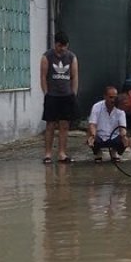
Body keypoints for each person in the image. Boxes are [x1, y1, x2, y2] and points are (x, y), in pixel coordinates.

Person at [40, 31, 79, 164]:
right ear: (55, 44)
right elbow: (43, 77)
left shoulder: (71, 57)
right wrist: (46, 93)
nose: (62, 49)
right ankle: (48, 154)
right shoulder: (47, 57)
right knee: (50, 125)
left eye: (64, 46)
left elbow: (74, 76)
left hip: (66, 96)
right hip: (52, 96)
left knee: (64, 125)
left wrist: (73, 93)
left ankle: (62, 153)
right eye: (59, 46)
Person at [87, 86, 128, 163]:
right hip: (99, 136)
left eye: (115, 98)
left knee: (125, 139)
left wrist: (124, 136)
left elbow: (122, 127)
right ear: (105, 97)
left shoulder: (120, 108)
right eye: (111, 97)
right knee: (91, 136)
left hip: (114, 137)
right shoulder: (96, 106)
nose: (113, 100)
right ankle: (98, 152)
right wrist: (92, 135)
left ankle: (114, 151)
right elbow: (92, 124)